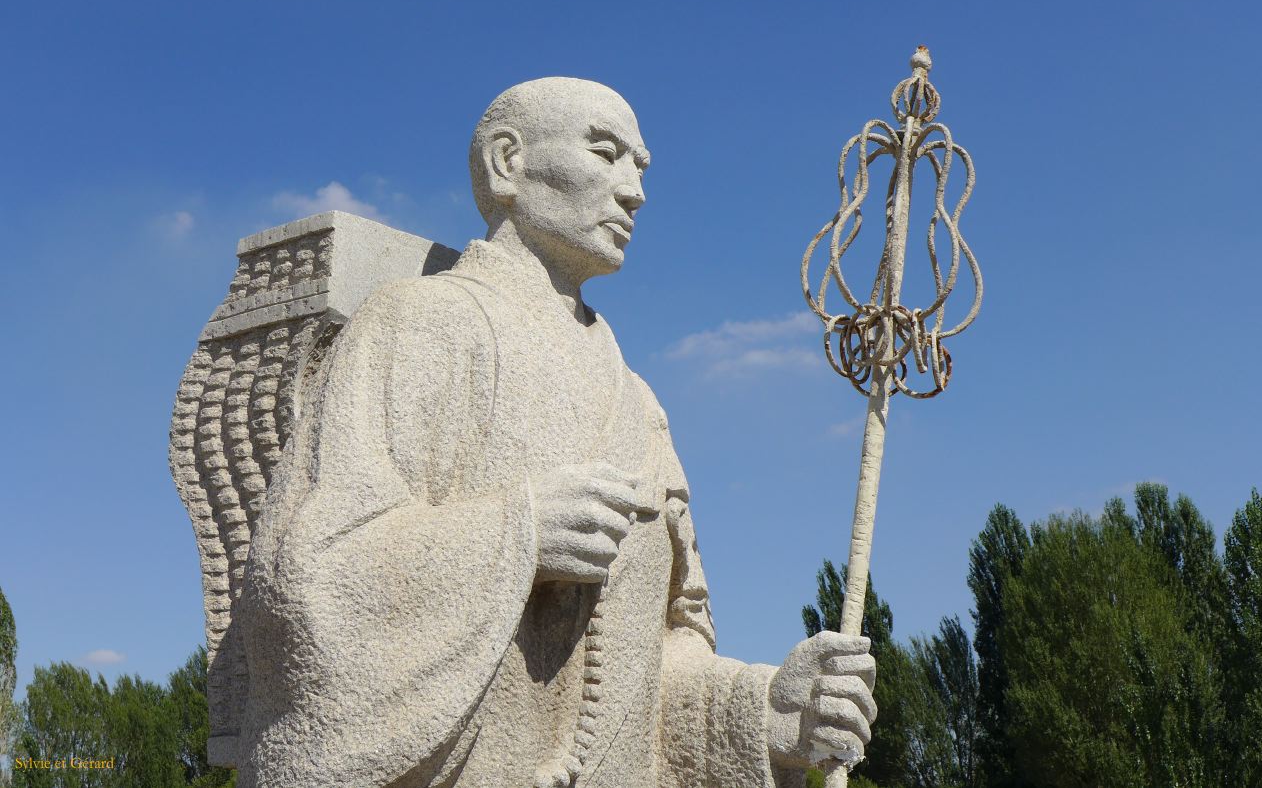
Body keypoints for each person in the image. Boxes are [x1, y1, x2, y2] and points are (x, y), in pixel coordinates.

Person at [237, 77, 876, 788]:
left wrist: (759, 710)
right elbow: (306, 578)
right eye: (606, 154)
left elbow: (653, 657)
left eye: (641, 167)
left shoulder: (640, 404)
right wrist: (519, 529)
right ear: (507, 162)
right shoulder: (418, 326)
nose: (634, 191)